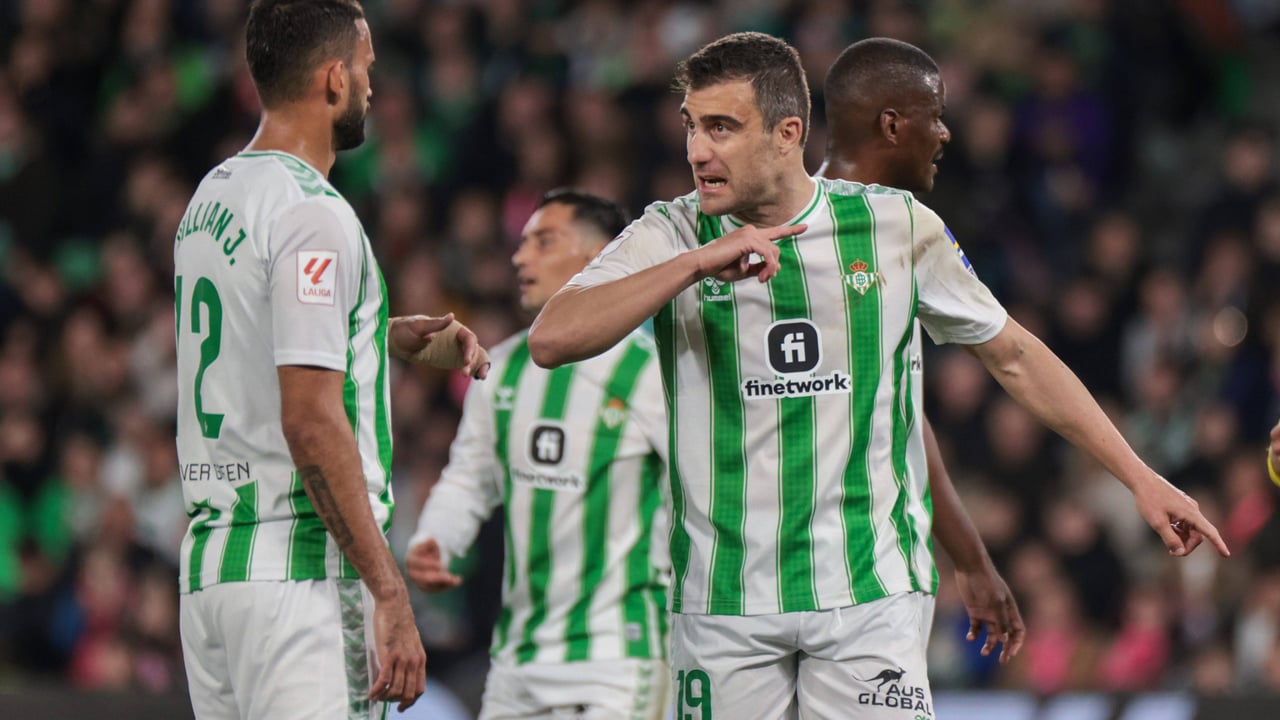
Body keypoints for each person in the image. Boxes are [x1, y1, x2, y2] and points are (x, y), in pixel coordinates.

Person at [528, 31, 1228, 719]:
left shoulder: (895, 226)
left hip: (868, 594)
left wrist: (1139, 477)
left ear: (787, 134)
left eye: (721, 127)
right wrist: (693, 266)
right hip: (722, 601)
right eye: (691, 125)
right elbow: (552, 338)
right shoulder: (671, 233)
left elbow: (1012, 356)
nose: (696, 150)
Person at [174, 1, 486, 717]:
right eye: (367, 67)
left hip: (214, 577)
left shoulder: (210, 198)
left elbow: (251, 337)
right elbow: (311, 421)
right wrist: (388, 591)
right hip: (301, 577)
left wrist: (376, 333)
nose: (373, 85)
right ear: (334, 79)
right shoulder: (311, 211)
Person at [405, 189, 672, 720]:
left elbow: (702, 493)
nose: (520, 256)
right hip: (518, 661)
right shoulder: (501, 370)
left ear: (599, 256)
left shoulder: (652, 371)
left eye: (544, 242)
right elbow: (470, 478)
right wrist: (436, 538)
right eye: (523, 242)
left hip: (619, 658)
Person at [817, 37, 1024, 665]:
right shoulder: (731, 239)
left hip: (867, 588)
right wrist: (1141, 479)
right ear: (891, 124)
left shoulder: (904, 226)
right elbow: (1016, 358)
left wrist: (971, 558)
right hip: (788, 597)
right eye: (934, 116)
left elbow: (895, 411)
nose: (945, 132)